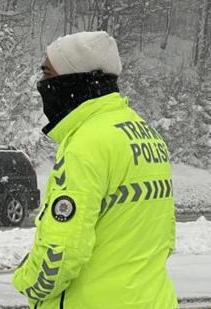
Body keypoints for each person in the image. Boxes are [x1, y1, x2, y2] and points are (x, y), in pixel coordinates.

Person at [12, 31, 177, 309]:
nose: (42, 84)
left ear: (74, 79)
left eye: (47, 74)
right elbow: (165, 237)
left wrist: (26, 282)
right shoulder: (144, 133)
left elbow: (61, 252)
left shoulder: (86, 143)